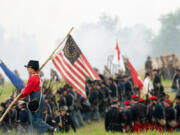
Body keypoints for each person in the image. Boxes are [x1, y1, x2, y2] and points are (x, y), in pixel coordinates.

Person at [20, 60, 55, 134]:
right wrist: (24, 92)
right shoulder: (36, 76)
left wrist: (22, 93)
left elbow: (27, 91)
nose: (27, 69)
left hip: (35, 98)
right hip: (37, 97)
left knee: (34, 119)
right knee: (38, 119)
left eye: (28, 67)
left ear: (31, 68)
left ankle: (49, 128)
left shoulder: (33, 77)